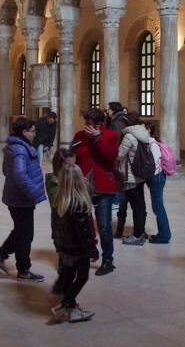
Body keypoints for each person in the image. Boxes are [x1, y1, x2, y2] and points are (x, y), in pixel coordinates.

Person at [0, 118, 47, 282]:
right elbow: (19, 174)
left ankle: (8, 260)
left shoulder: (13, 147)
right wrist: (33, 191)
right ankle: (17, 266)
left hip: (16, 197)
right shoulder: (21, 149)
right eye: (32, 131)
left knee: (22, 231)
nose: (35, 134)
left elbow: (6, 170)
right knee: (25, 233)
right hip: (21, 199)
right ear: (24, 132)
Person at [72, 109, 120, 276]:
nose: (87, 127)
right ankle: (90, 251)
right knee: (83, 223)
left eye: (90, 124)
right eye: (86, 123)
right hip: (82, 186)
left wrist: (97, 138)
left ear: (100, 125)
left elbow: (112, 159)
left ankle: (108, 260)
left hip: (103, 187)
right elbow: (72, 156)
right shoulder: (79, 136)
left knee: (104, 226)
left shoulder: (111, 136)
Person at [49, 164, 99, 323]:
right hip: (78, 249)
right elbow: (84, 232)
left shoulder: (59, 200)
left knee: (69, 274)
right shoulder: (79, 204)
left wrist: (58, 245)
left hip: (65, 246)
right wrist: (92, 250)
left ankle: (71, 306)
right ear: (79, 181)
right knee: (82, 277)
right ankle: (64, 306)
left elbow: (54, 225)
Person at [116, 112, 151, 246]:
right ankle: (141, 231)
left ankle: (137, 235)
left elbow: (120, 155)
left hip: (130, 176)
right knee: (141, 205)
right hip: (140, 174)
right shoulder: (144, 134)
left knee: (136, 206)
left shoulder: (129, 136)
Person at [144, 122, 171, 244]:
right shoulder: (150, 142)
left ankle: (165, 235)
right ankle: (162, 233)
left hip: (157, 177)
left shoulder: (152, 143)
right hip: (156, 177)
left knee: (158, 206)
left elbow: (154, 164)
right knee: (157, 206)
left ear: (148, 130)